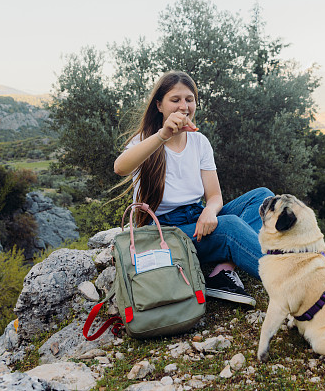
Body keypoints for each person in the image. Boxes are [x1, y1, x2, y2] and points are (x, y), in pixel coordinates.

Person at [114, 71, 271, 306]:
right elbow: (120, 168)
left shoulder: (199, 142)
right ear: (159, 105)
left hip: (198, 218)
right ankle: (293, 282)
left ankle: (223, 271)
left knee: (263, 198)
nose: (184, 106)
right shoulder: (146, 140)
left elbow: (215, 195)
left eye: (189, 99)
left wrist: (209, 211)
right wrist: (163, 135)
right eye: (175, 100)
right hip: (166, 233)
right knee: (229, 228)